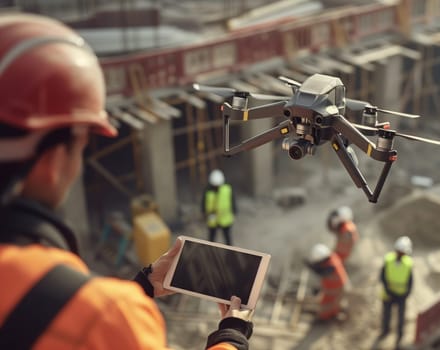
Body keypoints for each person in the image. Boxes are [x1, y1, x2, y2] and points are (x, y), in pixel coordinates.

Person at [0, 13, 252, 349]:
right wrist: (232, 334)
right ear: (54, 160)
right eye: (81, 148)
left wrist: (143, 286)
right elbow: (88, 324)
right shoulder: (108, 318)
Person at [379, 236, 414, 347]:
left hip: (401, 296)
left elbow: (410, 280)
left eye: (402, 252)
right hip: (388, 293)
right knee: (386, 315)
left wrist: (406, 294)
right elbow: (382, 276)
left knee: (401, 317)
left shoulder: (408, 263)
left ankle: (399, 336)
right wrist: (387, 289)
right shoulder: (388, 259)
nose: (400, 254)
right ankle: (385, 331)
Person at [305, 243, 349, 321]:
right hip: (334, 287)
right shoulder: (332, 257)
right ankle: (335, 312)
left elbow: (321, 272)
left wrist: (320, 289)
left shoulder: (330, 267)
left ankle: (327, 317)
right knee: (332, 304)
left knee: (327, 307)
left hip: (335, 290)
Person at [204, 169, 236, 246]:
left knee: (227, 237)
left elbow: (232, 200)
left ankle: (230, 251)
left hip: (225, 219)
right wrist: (204, 213)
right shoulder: (207, 192)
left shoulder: (227, 189)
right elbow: (204, 203)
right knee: (211, 238)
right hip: (213, 219)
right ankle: (210, 250)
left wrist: (234, 210)